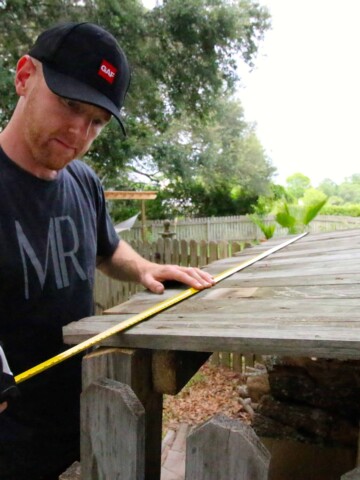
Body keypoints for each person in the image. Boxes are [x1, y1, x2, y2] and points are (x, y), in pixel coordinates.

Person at [0, 21, 215, 480]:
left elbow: (106, 248)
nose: (79, 130)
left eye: (96, 121)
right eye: (70, 104)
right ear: (24, 77)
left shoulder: (84, 182)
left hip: (85, 423)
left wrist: (145, 269)